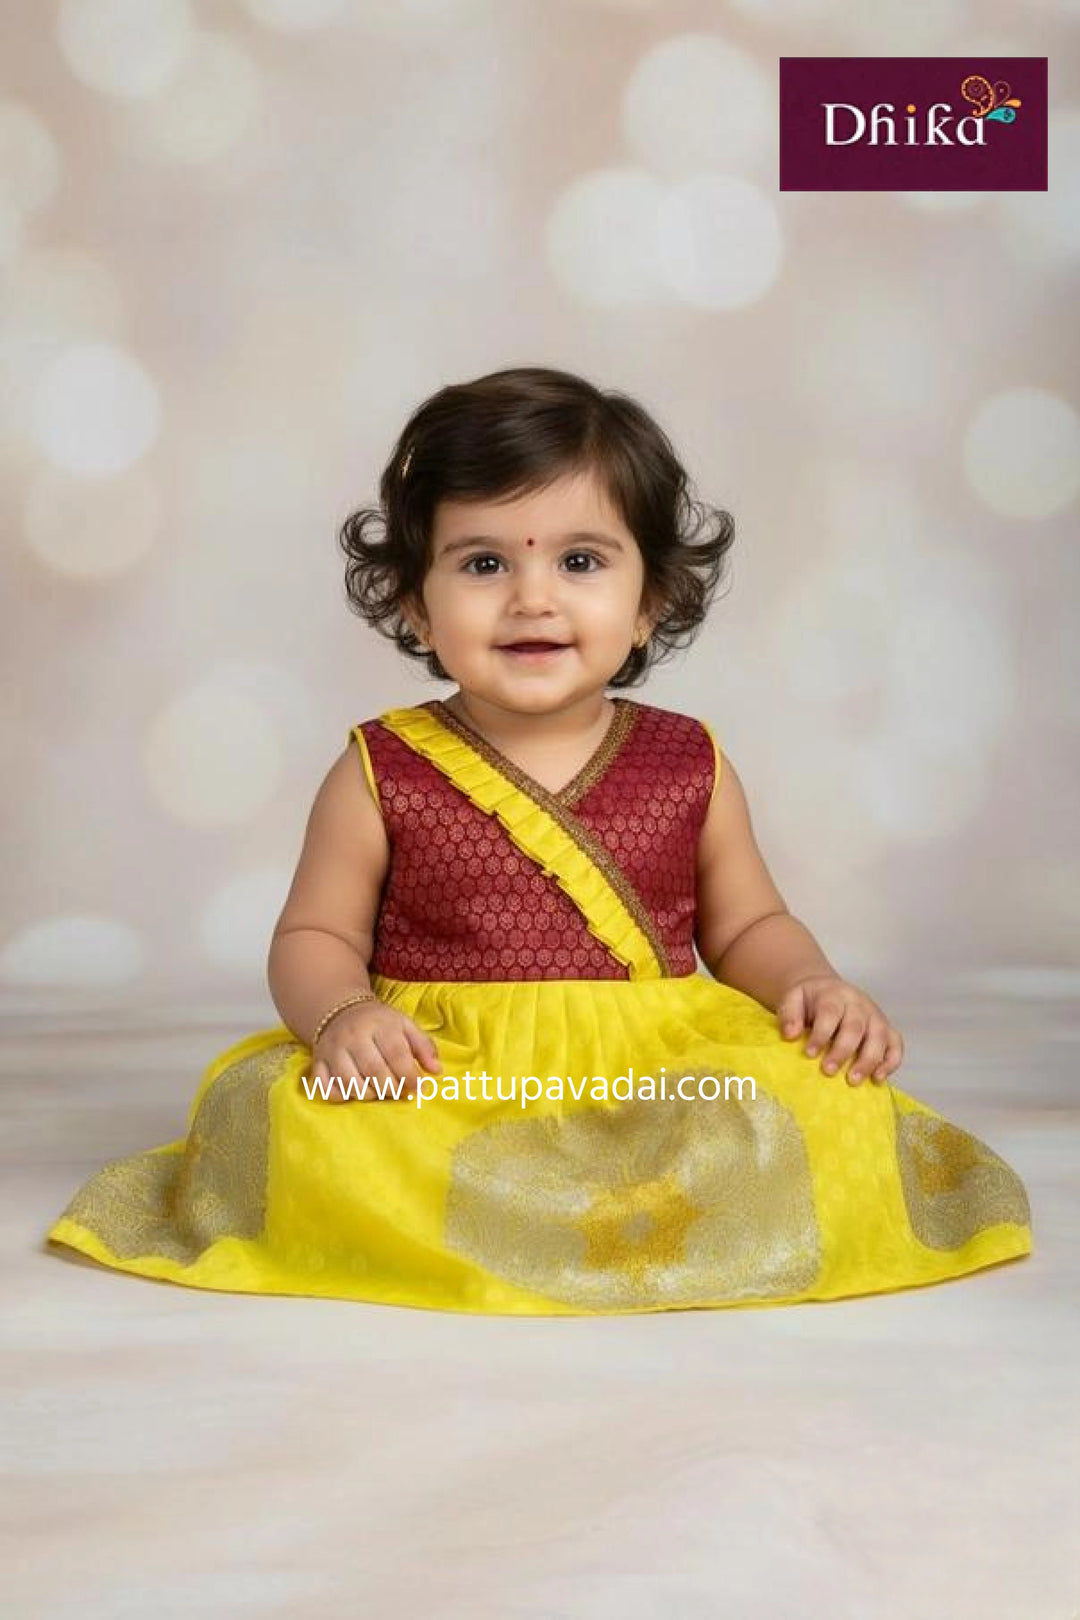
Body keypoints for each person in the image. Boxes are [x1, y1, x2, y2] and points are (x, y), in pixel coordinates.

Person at [47, 366, 1032, 1314]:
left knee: (820, 1097)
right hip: (450, 1072)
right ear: (414, 602)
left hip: (654, 1070)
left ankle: (589, 1220)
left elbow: (748, 927)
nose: (532, 598)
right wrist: (344, 1015)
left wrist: (812, 984)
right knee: (293, 1116)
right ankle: (522, 1221)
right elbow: (314, 936)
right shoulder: (380, 769)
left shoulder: (690, 763)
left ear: (650, 602)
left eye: (580, 561)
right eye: (483, 563)